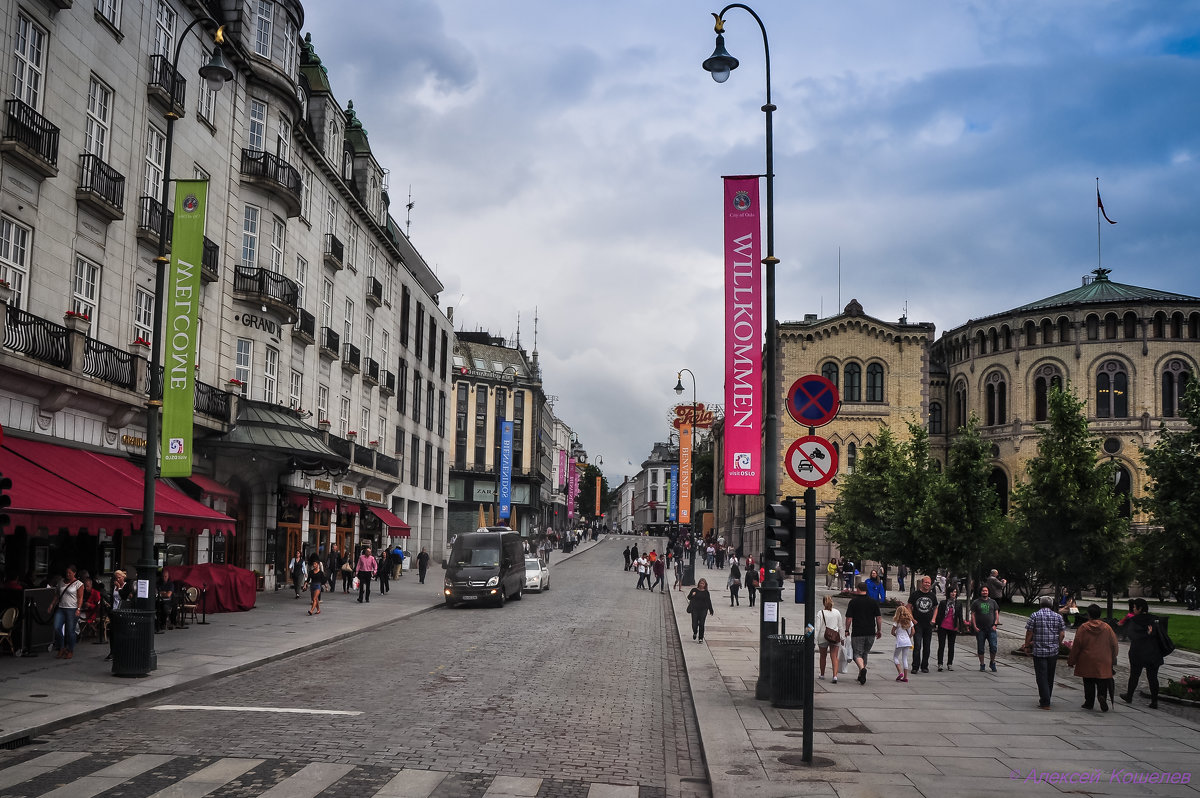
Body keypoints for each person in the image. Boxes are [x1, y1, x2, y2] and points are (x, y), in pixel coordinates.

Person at [1068, 604, 1119, 711]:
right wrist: (1113, 656)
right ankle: (1102, 696)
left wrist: (1072, 660)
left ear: (1089, 615)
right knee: (1102, 680)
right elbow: (1114, 644)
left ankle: (1089, 702)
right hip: (1104, 658)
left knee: (1088, 681)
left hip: (1087, 659)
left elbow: (1077, 645)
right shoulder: (1107, 628)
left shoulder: (1083, 628)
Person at [1120, 597, 1165, 709]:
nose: (1133, 609)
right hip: (1153, 652)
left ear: (1139, 609)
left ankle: (1129, 695)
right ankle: (1154, 701)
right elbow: (1160, 634)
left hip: (1138, 652)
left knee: (1134, 675)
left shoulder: (1135, 620)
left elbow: (1132, 635)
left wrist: (1145, 635)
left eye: (1134, 607)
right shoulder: (1154, 619)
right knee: (1153, 677)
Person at [1023, 596, 1066, 709]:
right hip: (1053, 651)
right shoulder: (1058, 616)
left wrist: (1027, 645)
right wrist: (1058, 643)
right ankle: (1048, 697)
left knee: (1041, 676)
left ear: (1040, 604)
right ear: (1051, 605)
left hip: (1039, 650)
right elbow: (1062, 633)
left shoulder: (1035, 615)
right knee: (1050, 676)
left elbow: (1029, 632)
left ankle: (1045, 701)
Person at [844, 581, 882, 685]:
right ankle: (861, 675)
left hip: (858, 632)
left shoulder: (853, 602)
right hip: (870, 632)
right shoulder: (873, 602)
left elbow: (849, 618)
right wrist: (879, 630)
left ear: (858, 589)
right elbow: (878, 617)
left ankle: (862, 669)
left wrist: (847, 630)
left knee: (857, 654)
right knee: (865, 653)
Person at [49, 565, 83, 659]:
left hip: (72, 608)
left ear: (74, 573)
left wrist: (78, 609)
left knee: (70, 631)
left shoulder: (78, 584)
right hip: (61, 607)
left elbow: (80, 597)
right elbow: (57, 595)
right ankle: (61, 647)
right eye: (67, 573)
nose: (68, 574)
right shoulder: (61, 582)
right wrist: (52, 604)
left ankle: (70, 649)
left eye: (70, 573)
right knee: (57, 627)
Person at [907, 576, 937, 674]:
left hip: (928, 624)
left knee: (927, 646)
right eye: (926, 583)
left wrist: (934, 619)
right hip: (918, 624)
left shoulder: (932, 595)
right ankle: (915, 666)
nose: (927, 584)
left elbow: (936, 607)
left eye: (929, 583)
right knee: (917, 645)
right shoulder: (915, 594)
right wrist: (912, 619)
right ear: (922, 583)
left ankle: (925, 666)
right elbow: (909, 607)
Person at [970, 585, 1001, 672]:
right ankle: (982, 664)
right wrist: (974, 626)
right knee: (980, 647)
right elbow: (973, 614)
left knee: (993, 646)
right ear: (980, 592)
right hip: (980, 629)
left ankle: (992, 662)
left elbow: (996, 612)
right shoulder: (976, 602)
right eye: (983, 591)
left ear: (988, 592)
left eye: (986, 591)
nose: (985, 592)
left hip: (991, 628)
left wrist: (995, 624)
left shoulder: (993, 602)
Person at [815, 595, 843, 682]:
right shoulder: (837, 612)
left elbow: (817, 627)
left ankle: (822, 674)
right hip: (835, 637)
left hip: (823, 636)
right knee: (834, 656)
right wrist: (842, 638)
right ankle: (835, 676)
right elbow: (840, 626)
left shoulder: (820, 613)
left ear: (823, 603)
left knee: (823, 656)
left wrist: (814, 639)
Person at [934, 586, 960, 671]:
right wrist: (937, 624)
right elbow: (939, 614)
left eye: (955, 592)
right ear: (949, 593)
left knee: (951, 646)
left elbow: (960, 616)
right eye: (952, 592)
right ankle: (940, 663)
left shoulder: (958, 604)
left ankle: (950, 663)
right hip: (943, 626)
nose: (953, 594)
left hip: (953, 627)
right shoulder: (943, 603)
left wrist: (961, 627)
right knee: (941, 645)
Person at [891, 605, 916, 682]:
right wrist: (909, 637)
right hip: (907, 641)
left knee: (895, 657)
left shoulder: (897, 621)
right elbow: (913, 631)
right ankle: (905, 677)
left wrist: (896, 635)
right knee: (904, 658)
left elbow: (892, 632)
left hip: (900, 641)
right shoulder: (909, 621)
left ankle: (900, 672)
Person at [686, 578, 715, 643]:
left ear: (705, 585)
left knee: (702, 623)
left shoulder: (706, 592)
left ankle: (700, 638)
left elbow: (708, 601)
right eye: (700, 583)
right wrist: (692, 595)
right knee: (694, 623)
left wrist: (711, 610)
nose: (701, 585)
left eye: (703, 584)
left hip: (703, 609)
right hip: (695, 609)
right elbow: (689, 597)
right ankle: (695, 632)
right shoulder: (694, 590)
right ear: (698, 583)